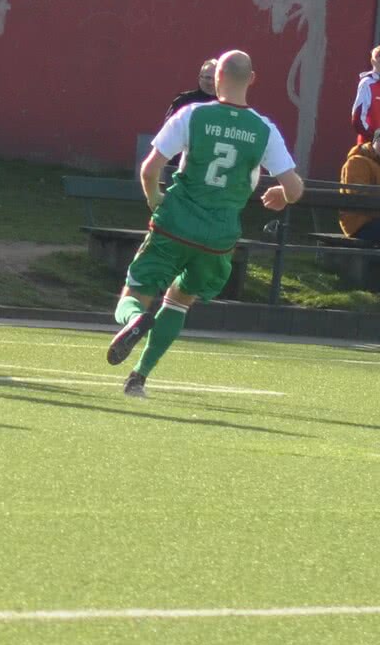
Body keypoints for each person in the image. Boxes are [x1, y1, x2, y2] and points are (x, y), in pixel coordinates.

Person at [105, 50, 303, 396]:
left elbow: (150, 169)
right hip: (218, 236)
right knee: (179, 301)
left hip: (175, 223)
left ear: (217, 77)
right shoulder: (263, 129)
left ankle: (134, 318)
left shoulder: (192, 114)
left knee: (134, 291)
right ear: (252, 79)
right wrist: (281, 197)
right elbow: (295, 187)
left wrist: (155, 199)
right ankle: (139, 377)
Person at [172, 58, 219, 124]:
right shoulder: (183, 101)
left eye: (215, 78)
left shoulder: (225, 105)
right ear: (200, 78)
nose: (211, 82)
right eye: (208, 78)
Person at [350, 49, 380, 142]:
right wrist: (374, 139)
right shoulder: (367, 83)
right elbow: (357, 119)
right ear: (373, 62)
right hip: (370, 149)